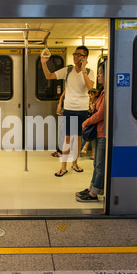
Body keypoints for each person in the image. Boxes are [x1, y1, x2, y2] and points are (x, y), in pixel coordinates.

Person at [41, 46, 95, 177]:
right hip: (69, 109)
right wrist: (43, 63)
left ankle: (74, 163)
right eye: (75, 54)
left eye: (79, 54)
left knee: (78, 138)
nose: (76, 56)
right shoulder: (68, 70)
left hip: (82, 109)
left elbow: (90, 87)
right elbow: (49, 76)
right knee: (67, 138)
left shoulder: (89, 71)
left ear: (85, 58)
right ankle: (63, 166)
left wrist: (83, 70)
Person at [76, 62, 106, 202]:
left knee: (99, 165)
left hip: (103, 133)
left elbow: (100, 114)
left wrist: (86, 122)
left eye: (101, 72)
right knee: (96, 165)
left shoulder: (108, 94)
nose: (99, 75)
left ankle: (94, 194)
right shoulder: (103, 92)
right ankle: (91, 188)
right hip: (99, 132)